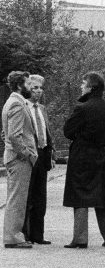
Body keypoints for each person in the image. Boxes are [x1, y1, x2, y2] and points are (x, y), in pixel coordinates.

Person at [63, 71, 105, 248]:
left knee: (79, 196)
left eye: (83, 83)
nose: (80, 86)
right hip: (102, 155)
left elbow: (68, 131)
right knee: (104, 197)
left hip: (82, 156)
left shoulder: (82, 108)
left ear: (91, 88)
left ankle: (80, 238)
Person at [2, 71, 37, 249]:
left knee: (16, 197)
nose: (31, 87)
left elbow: (6, 133)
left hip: (13, 157)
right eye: (28, 83)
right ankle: (13, 236)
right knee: (17, 198)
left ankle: (13, 235)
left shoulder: (13, 102)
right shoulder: (16, 104)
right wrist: (27, 154)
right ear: (19, 86)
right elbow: (15, 136)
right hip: (19, 159)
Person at [23, 74, 54, 244]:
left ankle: (38, 234)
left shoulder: (42, 108)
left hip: (42, 155)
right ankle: (25, 233)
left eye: (41, 88)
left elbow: (47, 131)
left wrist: (51, 153)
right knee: (27, 195)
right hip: (29, 154)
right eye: (35, 88)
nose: (38, 91)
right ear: (28, 88)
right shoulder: (22, 106)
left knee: (40, 196)